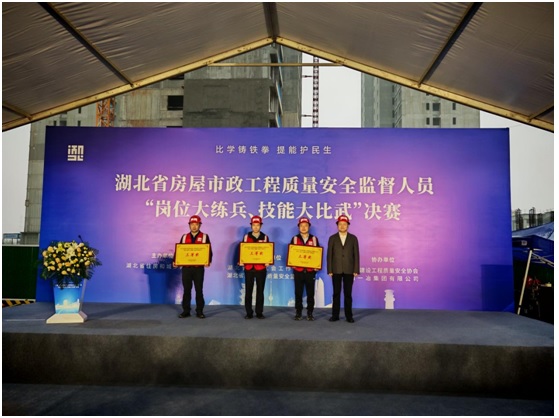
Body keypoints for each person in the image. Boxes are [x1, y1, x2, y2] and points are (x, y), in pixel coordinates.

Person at [177, 215, 212, 319]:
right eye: (192, 224)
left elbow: (209, 251)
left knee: (199, 290)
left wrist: (208, 261)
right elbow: (180, 251)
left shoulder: (205, 236)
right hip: (186, 268)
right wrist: (176, 261)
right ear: (189, 225)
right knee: (186, 290)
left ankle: (199, 311)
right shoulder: (184, 237)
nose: (194, 226)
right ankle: (186, 311)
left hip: (198, 268)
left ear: (199, 225)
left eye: (196, 224)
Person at [326, 214, 360, 323]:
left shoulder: (353, 238)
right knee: (336, 293)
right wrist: (329, 269)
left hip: (349, 269)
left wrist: (356, 269)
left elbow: (356, 254)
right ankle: (335, 315)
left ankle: (349, 316)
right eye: (340, 224)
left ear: (348, 225)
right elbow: (329, 255)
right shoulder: (332, 238)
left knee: (348, 294)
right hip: (335, 269)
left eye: (344, 224)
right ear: (337, 225)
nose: (342, 226)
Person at [239, 215, 269, 319]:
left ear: (261, 226)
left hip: (261, 268)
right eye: (254, 225)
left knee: (260, 291)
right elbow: (243, 250)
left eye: (258, 225)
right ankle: (249, 312)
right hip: (249, 268)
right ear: (251, 226)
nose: (256, 227)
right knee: (248, 291)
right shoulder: (246, 237)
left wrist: (268, 261)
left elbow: (267, 251)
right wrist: (241, 260)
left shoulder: (265, 237)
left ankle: (259, 312)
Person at [291, 217, 320, 321]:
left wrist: (317, 265)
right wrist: (292, 263)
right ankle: (298, 312)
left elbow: (317, 254)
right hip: (298, 271)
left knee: (310, 293)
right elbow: (292, 253)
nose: (303, 228)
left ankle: (310, 313)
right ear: (299, 227)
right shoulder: (295, 238)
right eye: (301, 226)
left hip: (310, 271)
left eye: (306, 226)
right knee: (298, 293)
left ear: (309, 227)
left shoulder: (314, 239)